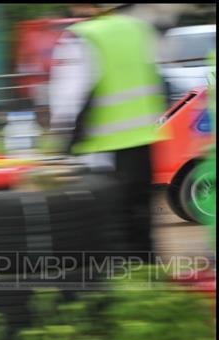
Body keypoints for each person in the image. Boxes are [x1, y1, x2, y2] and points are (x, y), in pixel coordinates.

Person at [48, 4, 172, 257]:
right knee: (141, 222)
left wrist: (65, 143)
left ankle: (119, 287)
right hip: (143, 143)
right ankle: (147, 281)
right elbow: (161, 81)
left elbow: (71, 97)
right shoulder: (139, 29)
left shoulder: (82, 36)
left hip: (103, 151)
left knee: (111, 228)